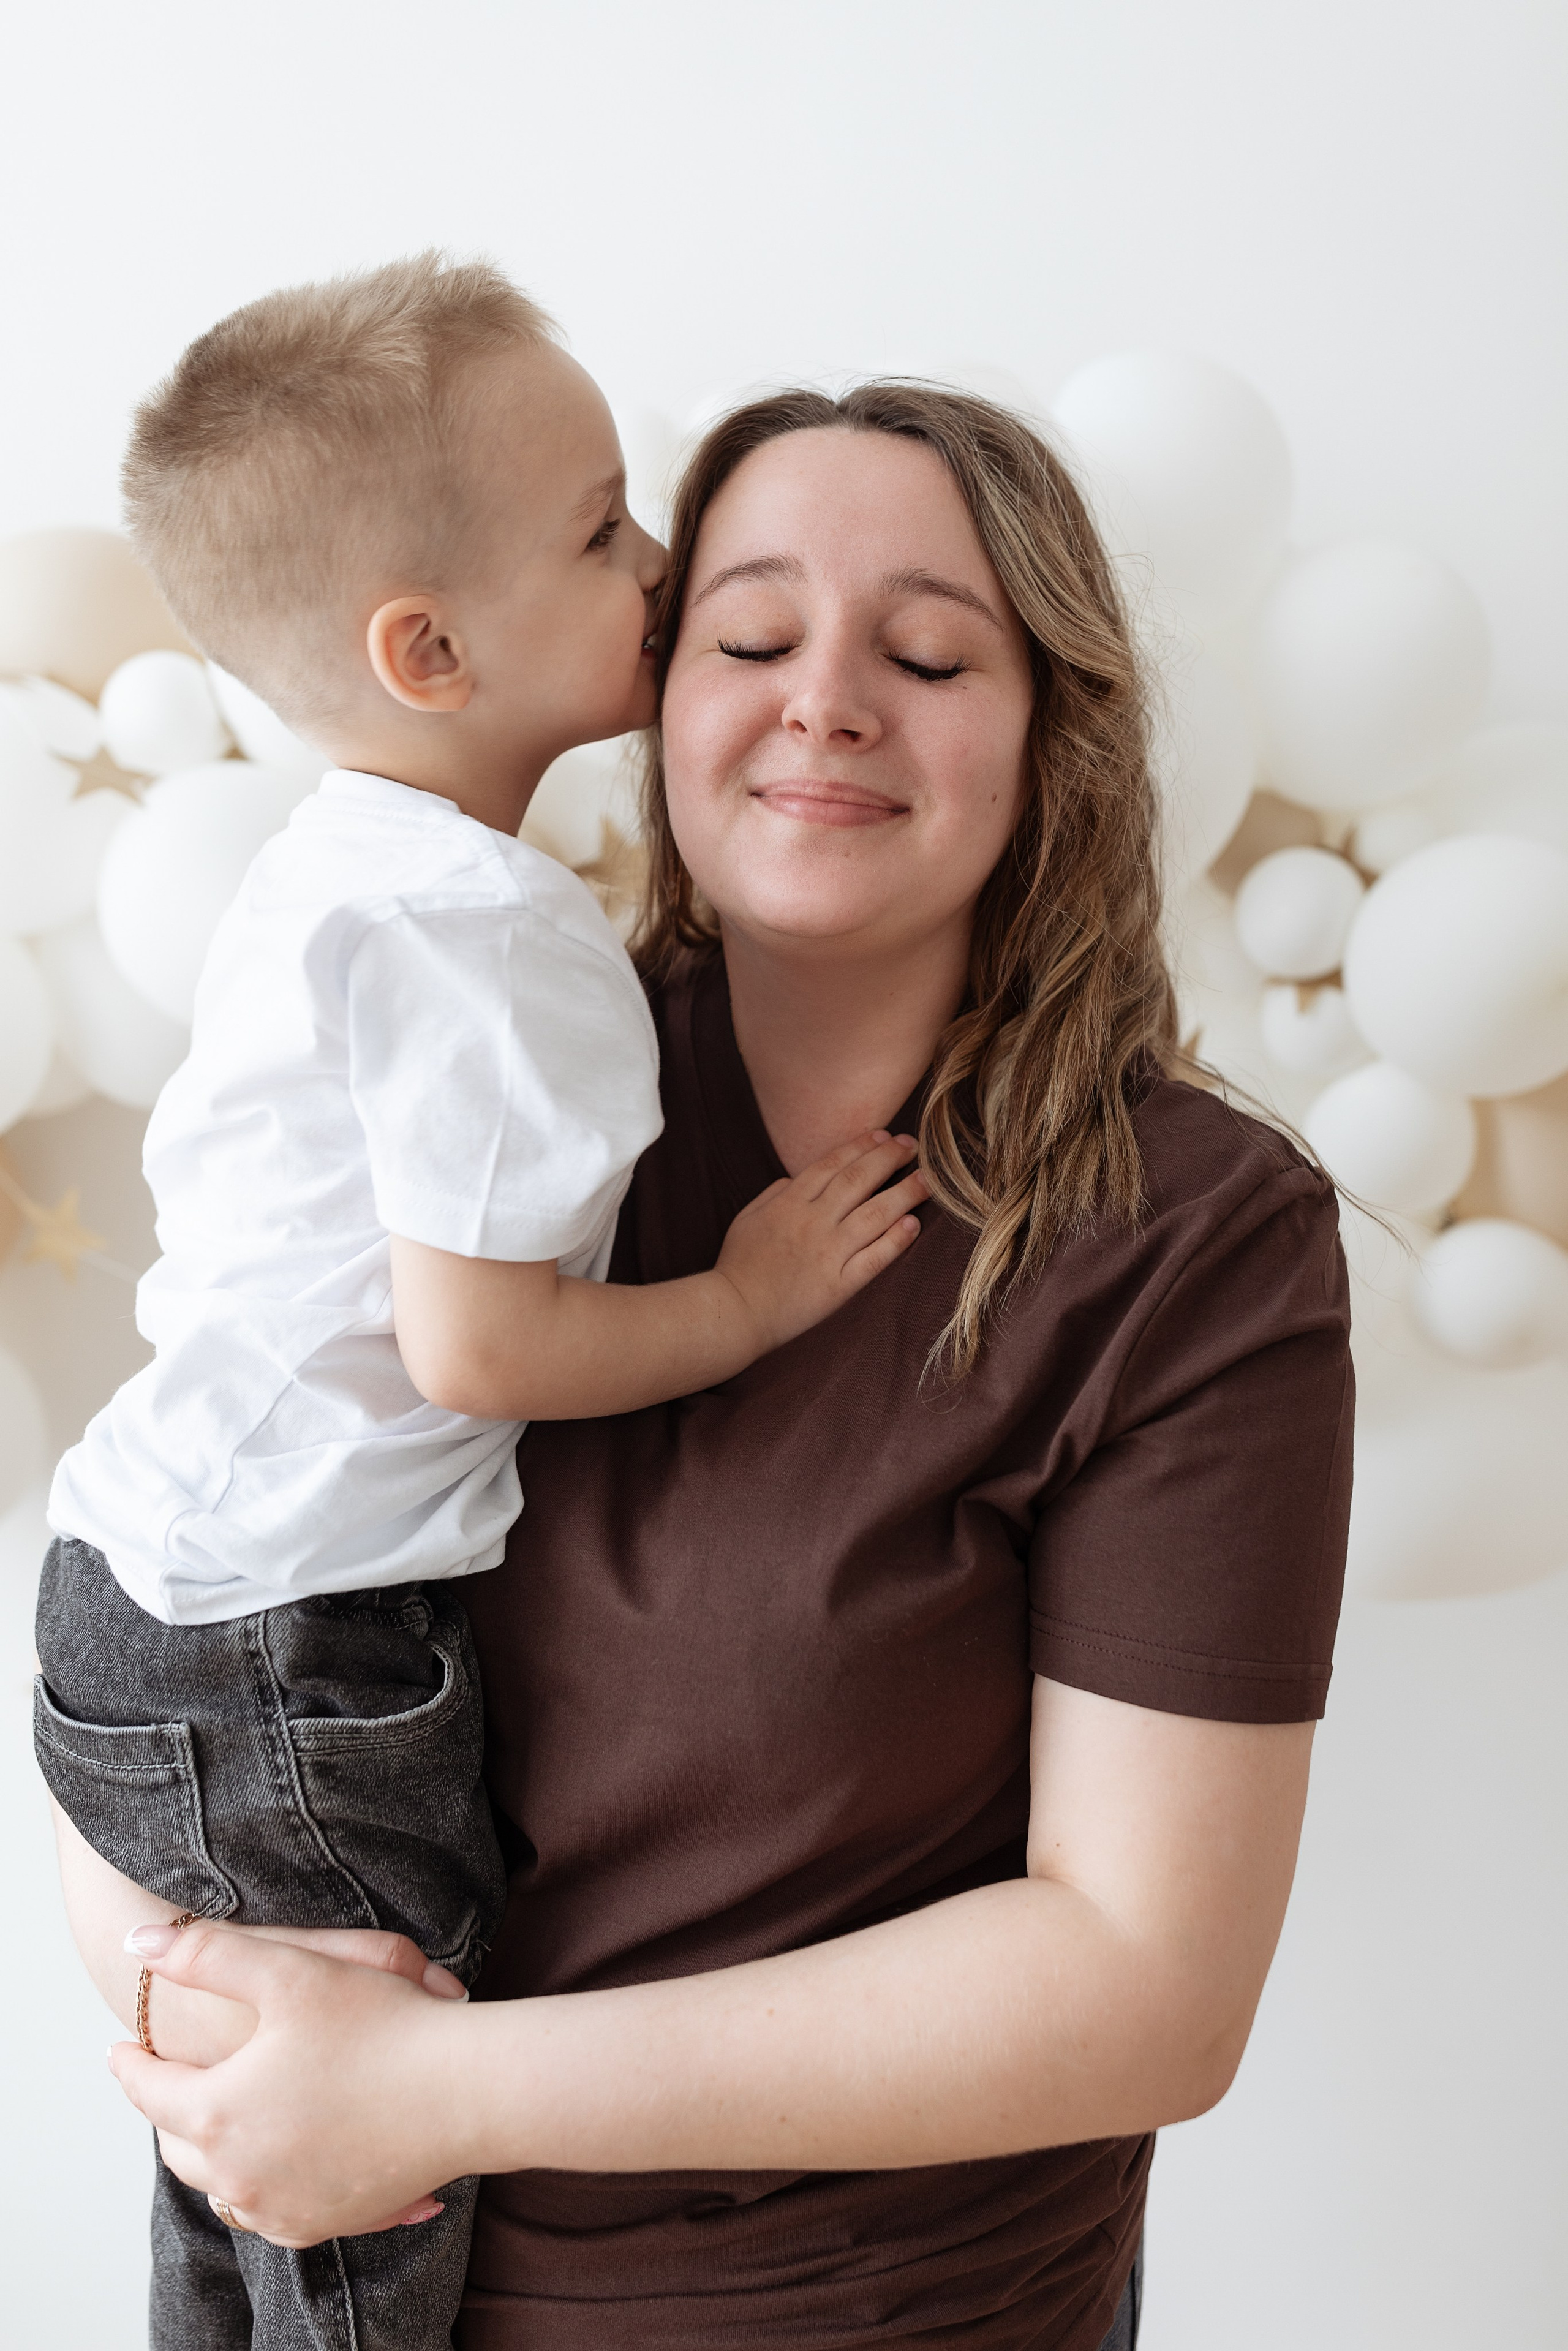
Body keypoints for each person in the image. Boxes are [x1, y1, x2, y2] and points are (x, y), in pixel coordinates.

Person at [99, 380, 1354, 2351]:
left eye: (930, 653)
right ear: (654, 694)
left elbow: (1146, 1988)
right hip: (356, 2264)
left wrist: (426, 2091)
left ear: (1054, 732)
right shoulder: (483, 1079)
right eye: (751, 637)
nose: (828, 700)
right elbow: (177, 1591)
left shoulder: (1191, 1235)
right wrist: (172, 1991)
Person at [36, 265, 927, 2351]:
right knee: (365, 2159)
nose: (658, 563)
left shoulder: (337, 866)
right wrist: (753, 1292)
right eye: (605, 529)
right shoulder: (484, 932)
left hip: (153, 1580)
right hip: (289, 1637)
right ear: (427, 649)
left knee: (239, 2151)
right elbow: (484, 1349)